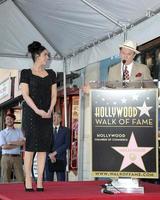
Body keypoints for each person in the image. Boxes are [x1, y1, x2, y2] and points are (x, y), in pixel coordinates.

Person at [19, 41, 57, 191]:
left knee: (43, 148)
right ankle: (28, 178)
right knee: (30, 147)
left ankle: (40, 180)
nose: (47, 57)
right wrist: (37, 110)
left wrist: (49, 110)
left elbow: (54, 95)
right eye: (45, 55)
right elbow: (25, 95)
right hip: (31, 114)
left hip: (47, 114)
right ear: (37, 56)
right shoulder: (26, 73)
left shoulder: (52, 74)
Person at [45, 112, 70, 181]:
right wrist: (50, 154)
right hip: (48, 158)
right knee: (48, 181)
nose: (55, 119)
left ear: (61, 119)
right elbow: (44, 143)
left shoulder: (66, 130)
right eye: (54, 117)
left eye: (57, 117)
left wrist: (55, 153)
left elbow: (66, 144)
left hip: (60, 158)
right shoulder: (46, 130)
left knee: (61, 181)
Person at [0, 113, 25, 183]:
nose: (9, 120)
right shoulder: (2, 133)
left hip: (17, 158)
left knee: (21, 179)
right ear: (5, 121)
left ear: (14, 120)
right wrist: (17, 144)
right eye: (7, 119)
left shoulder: (19, 131)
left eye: (11, 119)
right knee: (5, 179)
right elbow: (4, 147)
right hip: (6, 158)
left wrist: (11, 142)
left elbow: (23, 142)